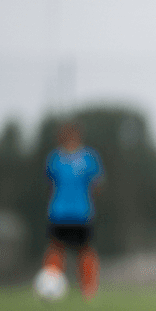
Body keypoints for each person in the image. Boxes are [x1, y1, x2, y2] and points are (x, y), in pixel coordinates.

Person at [42, 122, 104, 299]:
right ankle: (50, 288)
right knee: (56, 250)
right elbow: (49, 183)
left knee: (85, 251)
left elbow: (97, 184)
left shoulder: (89, 158)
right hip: (59, 212)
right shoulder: (55, 158)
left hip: (82, 213)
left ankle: (89, 290)